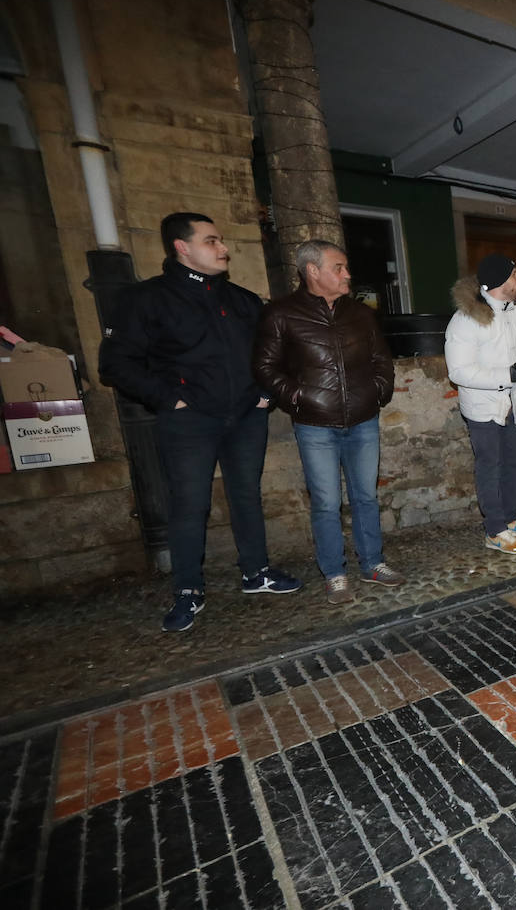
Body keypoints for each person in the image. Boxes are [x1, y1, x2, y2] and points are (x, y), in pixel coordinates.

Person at [99, 212, 301, 632]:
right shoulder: (147, 299)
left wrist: (267, 393)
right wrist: (168, 399)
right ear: (182, 247)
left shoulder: (242, 300)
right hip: (190, 421)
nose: (223, 248)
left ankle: (256, 572)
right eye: (212, 241)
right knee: (190, 505)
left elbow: (272, 353)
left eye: (221, 240)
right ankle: (188, 590)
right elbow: (116, 363)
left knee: (246, 494)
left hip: (246, 416)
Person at [253, 240, 402, 605]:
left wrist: (378, 391)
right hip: (315, 425)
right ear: (312, 271)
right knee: (326, 502)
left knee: (366, 497)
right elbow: (265, 367)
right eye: (338, 267)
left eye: (346, 267)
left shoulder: (361, 313)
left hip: (363, 420)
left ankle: (372, 564)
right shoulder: (281, 313)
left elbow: (382, 360)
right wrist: (301, 397)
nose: (347, 274)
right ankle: (335, 574)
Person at [445, 254, 516, 553]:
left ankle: (511, 518)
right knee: (490, 465)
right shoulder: (466, 319)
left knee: (513, 461)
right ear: (500, 281)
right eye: (515, 275)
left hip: (513, 402)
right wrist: (509, 374)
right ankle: (495, 530)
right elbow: (459, 371)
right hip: (483, 406)